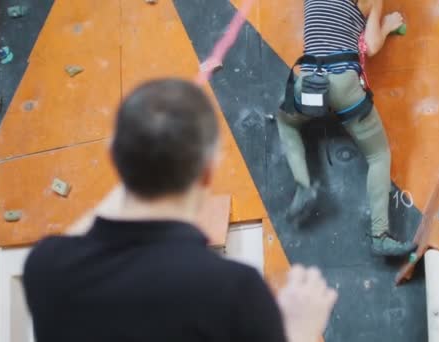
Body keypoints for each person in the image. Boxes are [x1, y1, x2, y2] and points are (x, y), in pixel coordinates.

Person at [23, 79, 338, 342]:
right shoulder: (232, 292)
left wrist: (135, 158)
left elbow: (89, 234)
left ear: (114, 159)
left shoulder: (46, 268)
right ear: (208, 173)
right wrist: (300, 331)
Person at [277, 0, 417, 256]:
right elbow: (372, 46)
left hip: (310, 84)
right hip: (345, 86)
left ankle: (303, 184)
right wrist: (385, 26)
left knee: (286, 122)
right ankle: (380, 235)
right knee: (378, 155)